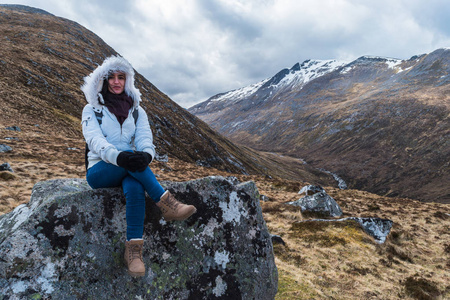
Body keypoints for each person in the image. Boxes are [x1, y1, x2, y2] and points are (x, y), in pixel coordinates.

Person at [81, 55, 196, 277]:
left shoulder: (136, 110)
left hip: (128, 167)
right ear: (103, 81)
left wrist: (146, 156)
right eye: (111, 77)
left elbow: (145, 140)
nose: (116, 82)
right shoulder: (91, 109)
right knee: (132, 165)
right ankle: (167, 203)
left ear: (127, 80)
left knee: (134, 187)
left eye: (121, 77)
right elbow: (95, 140)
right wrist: (119, 157)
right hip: (99, 171)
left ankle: (133, 252)